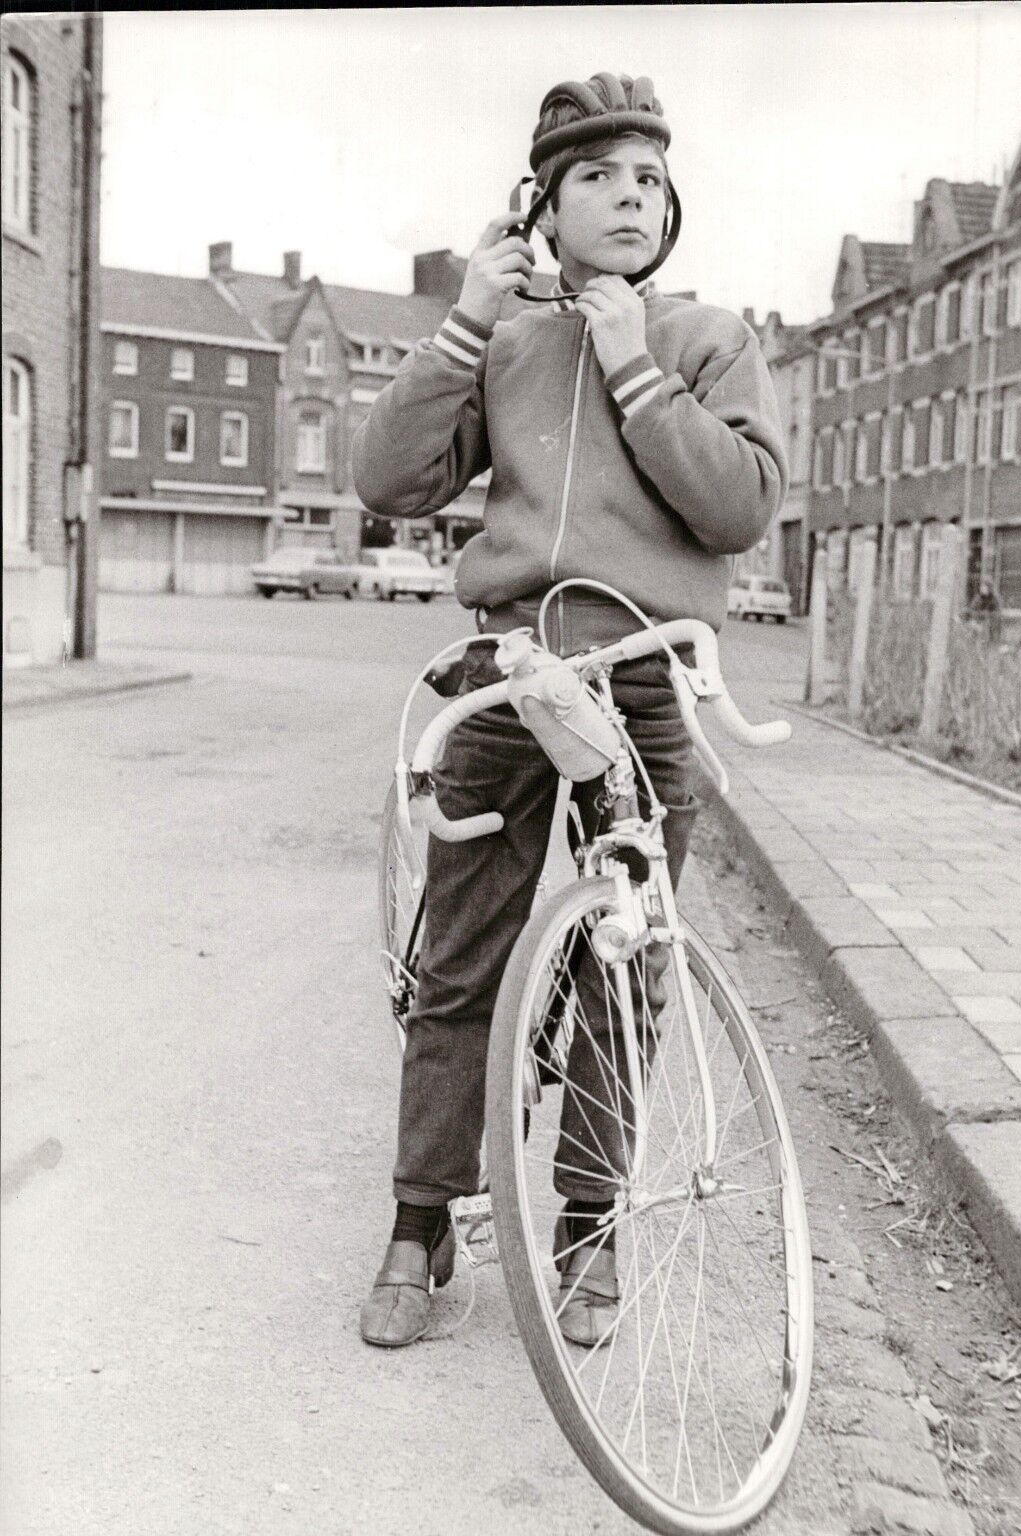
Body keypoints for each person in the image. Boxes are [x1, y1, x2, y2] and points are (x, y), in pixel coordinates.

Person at [351, 71, 788, 1349]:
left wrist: (635, 369)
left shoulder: (706, 339)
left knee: (623, 960)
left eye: (647, 176)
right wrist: (461, 326)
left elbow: (739, 507)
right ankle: (419, 1223)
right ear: (540, 205)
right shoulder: (507, 337)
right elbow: (388, 477)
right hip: (507, 673)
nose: (627, 195)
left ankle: (590, 1225)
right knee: (459, 959)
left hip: (642, 683)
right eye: (594, 175)